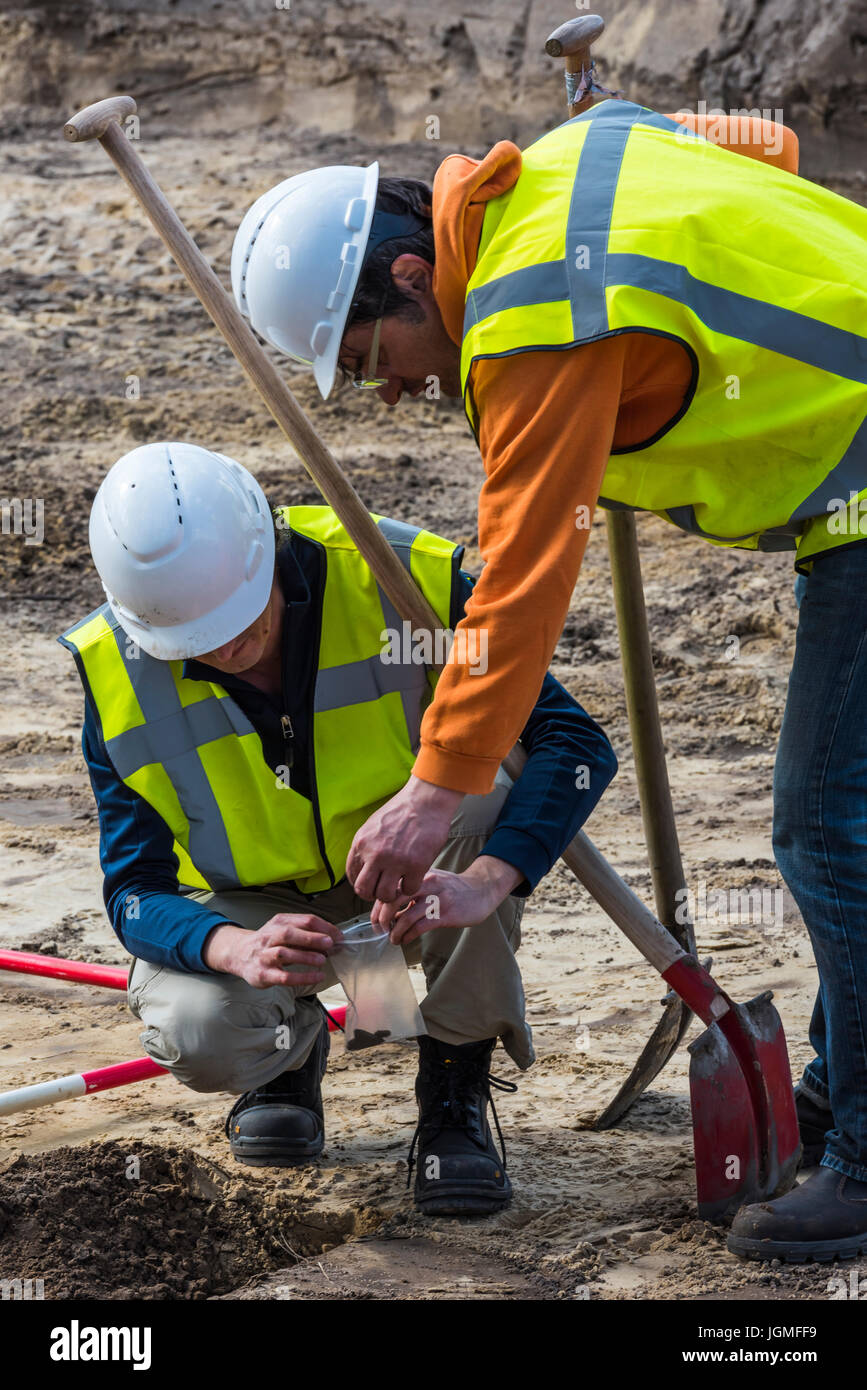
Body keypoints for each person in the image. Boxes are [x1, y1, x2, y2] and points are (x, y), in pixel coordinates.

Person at [230, 102, 867, 1258]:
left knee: (825, 829)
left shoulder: (530, 321)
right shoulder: (581, 149)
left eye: (373, 360)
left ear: (418, 275)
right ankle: (846, 1083)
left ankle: (866, 1158)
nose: (384, 393)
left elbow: (520, 584)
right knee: (853, 817)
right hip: (847, 494)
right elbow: (765, 151)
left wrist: (436, 791)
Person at [58, 441, 617, 1216]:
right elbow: (135, 891)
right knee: (195, 1026)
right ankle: (286, 1055)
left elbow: (574, 745)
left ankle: (452, 1091)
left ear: (268, 563)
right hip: (260, 908)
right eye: (195, 642)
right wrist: (238, 949)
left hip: (419, 882)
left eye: (240, 622)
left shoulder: (400, 581)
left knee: (485, 801)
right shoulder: (116, 670)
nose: (225, 650)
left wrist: (487, 882)